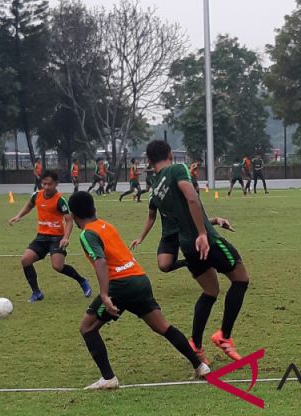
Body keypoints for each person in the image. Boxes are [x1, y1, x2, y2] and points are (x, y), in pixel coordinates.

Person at [68, 190, 210, 390]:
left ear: (73, 215)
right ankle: (200, 365)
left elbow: (100, 262)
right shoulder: (106, 225)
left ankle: (108, 378)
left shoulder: (87, 234)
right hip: (140, 279)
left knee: (87, 328)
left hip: (120, 285)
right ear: (94, 208)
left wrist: (104, 294)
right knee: (163, 327)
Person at [141, 140, 250, 363]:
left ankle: (196, 345)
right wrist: (203, 232)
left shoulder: (156, 187)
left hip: (187, 245)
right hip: (205, 240)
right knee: (241, 279)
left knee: (210, 292)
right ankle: (224, 336)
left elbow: (179, 215)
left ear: (150, 161)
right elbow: (192, 198)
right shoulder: (177, 169)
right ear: (170, 154)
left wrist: (214, 221)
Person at [8, 169, 93, 303]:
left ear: (56, 184)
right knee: (25, 260)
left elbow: (69, 220)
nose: (47, 187)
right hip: (41, 237)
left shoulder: (60, 200)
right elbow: (29, 205)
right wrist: (18, 216)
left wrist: (66, 238)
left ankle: (82, 281)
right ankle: (36, 293)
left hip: (57, 238)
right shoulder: (37, 196)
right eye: (44, 184)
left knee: (58, 266)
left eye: (50, 184)